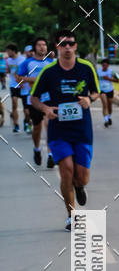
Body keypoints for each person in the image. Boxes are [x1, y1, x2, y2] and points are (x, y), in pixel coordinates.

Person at [30, 29, 100, 231]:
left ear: (75, 46)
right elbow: (34, 97)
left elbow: (96, 92)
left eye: (70, 43)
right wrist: (45, 109)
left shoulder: (86, 68)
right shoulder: (49, 72)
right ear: (57, 47)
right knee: (66, 170)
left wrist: (89, 99)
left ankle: (79, 186)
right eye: (63, 44)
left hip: (82, 129)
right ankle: (72, 215)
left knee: (82, 176)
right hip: (58, 129)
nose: (67, 47)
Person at [17, 37, 55, 167]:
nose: (42, 47)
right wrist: (34, 79)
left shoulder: (52, 63)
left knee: (49, 125)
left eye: (44, 45)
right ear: (34, 48)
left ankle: (51, 155)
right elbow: (18, 79)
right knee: (37, 128)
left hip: (49, 98)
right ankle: (37, 149)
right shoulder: (27, 63)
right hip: (33, 99)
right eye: (39, 45)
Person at [6, 45, 23, 132]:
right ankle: (16, 125)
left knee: (27, 109)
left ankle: (27, 121)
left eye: (8, 51)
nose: (7, 53)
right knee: (14, 103)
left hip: (23, 85)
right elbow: (8, 70)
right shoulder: (8, 60)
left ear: (14, 51)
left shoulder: (22, 59)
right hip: (13, 85)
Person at [97, 58, 119, 127]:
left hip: (110, 90)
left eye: (106, 65)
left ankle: (109, 117)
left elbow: (118, 80)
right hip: (102, 90)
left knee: (110, 106)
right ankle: (105, 120)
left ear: (108, 65)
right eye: (103, 65)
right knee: (105, 105)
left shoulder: (111, 72)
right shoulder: (98, 71)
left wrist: (108, 78)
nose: (104, 67)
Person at [18, 45, 34, 133]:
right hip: (25, 91)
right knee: (27, 112)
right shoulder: (23, 63)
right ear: (25, 52)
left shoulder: (37, 62)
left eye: (32, 51)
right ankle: (27, 123)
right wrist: (20, 83)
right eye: (29, 51)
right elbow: (17, 77)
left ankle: (34, 125)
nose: (31, 53)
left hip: (34, 91)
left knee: (35, 112)